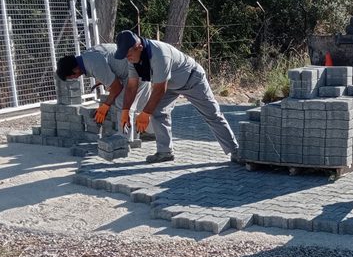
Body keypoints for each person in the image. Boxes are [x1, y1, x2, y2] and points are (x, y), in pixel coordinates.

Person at [112, 31, 240, 164]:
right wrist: (125, 110)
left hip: (193, 80)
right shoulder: (133, 60)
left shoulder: (159, 54)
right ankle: (165, 152)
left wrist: (145, 114)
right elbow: (132, 86)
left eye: (128, 54)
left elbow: (160, 89)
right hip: (172, 84)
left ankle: (235, 151)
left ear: (139, 47)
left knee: (212, 114)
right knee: (157, 112)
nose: (127, 58)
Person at [55, 44, 140, 130]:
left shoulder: (92, 65)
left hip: (136, 69)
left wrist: (105, 106)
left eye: (71, 77)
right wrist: (103, 80)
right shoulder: (86, 57)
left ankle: (125, 139)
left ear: (75, 70)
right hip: (130, 66)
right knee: (140, 105)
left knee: (122, 103)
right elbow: (107, 63)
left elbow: (117, 87)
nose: (75, 78)